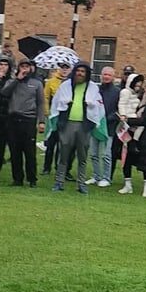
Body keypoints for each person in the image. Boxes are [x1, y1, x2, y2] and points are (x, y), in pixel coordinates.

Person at [50, 62, 104, 194]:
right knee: (63, 155)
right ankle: (59, 182)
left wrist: (91, 104)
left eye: (83, 71)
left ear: (87, 74)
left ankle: (81, 183)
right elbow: (56, 102)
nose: (80, 73)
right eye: (78, 71)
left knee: (82, 156)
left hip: (84, 126)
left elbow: (99, 106)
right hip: (67, 124)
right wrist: (64, 103)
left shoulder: (93, 88)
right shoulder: (65, 86)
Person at [2, 57, 45, 187]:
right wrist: (17, 79)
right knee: (15, 151)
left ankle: (32, 179)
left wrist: (41, 121)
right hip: (13, 119)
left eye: (27, 66)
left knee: (30, 151)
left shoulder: (36, 83)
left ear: (31, 68)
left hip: (29, 120)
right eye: (22, 66)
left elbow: (40, 103)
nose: (25, 69)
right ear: (18, 68)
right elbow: (4, 92)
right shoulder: (12, 81)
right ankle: (17, 179)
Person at [87, 66, 120, 187]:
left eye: (109, 75)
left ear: (113, 77)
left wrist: (106, 119)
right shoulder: (95, 90)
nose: (106, 77)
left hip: (109, 127)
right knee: (94, 153)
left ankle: (106, 178)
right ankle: (96, 176)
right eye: (104, 74)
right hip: (95, 125)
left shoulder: (117, 92)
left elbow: (118, 110)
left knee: (106, 154)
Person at [42, 61, 71, 175]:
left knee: (62, 144)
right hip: (53, 116)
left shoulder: (71, 82)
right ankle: (46, 167)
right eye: (62, 67)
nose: (64, 70)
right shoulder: (51, 82)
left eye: (67, 68)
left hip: (65, 117)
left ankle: (58, 167)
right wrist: (47, 111)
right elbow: (45, 97)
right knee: (50, 143)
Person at [117, 73, 144, 193]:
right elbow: (122, 104)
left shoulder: (137, 94)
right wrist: (123, 115)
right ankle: (127, 183)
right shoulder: (125, 92)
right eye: (136, 83)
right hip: (127, 123)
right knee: (125, 153)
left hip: (135, 123)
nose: (138, 85)